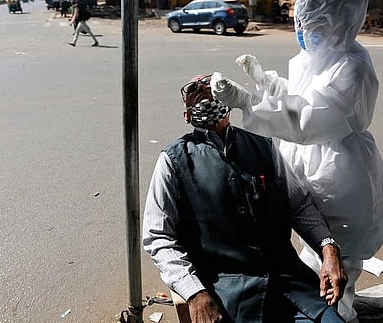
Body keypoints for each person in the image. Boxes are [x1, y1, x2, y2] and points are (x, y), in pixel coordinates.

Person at [210, 0, 383, 322]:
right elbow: (298, 98)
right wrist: (266, 82)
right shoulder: (319, 56)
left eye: (311, 23)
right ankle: (317, 311)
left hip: (341, 177)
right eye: (302, 22)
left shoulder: (351, 66)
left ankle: (334, 317)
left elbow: (308, 121)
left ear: (336, 22)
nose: (303, 30)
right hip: (313, 166)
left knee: (336, 265)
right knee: (312, 253)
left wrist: (248, 102)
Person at [143, 73, 348, 323]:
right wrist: (194, 292)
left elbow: (300, 205)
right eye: (194, 91)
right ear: (186, 115)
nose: (203, 89)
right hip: (228, 297)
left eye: (209, 86)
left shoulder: (264, 147)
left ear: (227, 102)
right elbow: (158, 237)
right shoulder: (173, 160)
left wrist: (328, 248)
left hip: (292, 287)